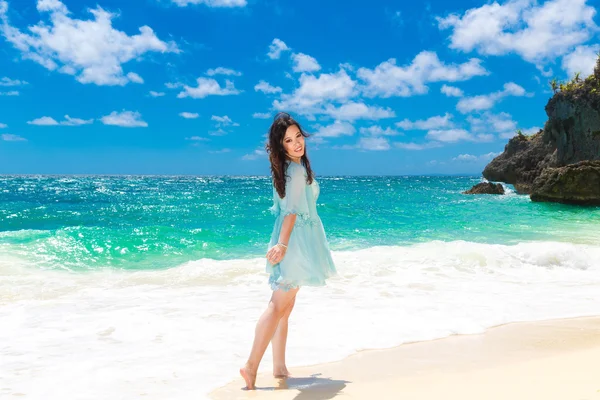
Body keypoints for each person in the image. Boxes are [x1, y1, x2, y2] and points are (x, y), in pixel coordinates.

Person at [239, 112, 337, 390]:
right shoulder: (294, 170)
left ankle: (279, 367)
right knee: (278, 305)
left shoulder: (290, 168)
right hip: (294, 240)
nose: (297, 144)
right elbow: (292, 211)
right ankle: (250, 367)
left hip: (294, 238)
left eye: (298, 137)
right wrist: (282, 245)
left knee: (286, 305)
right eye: (289, 140)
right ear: (280, 145)